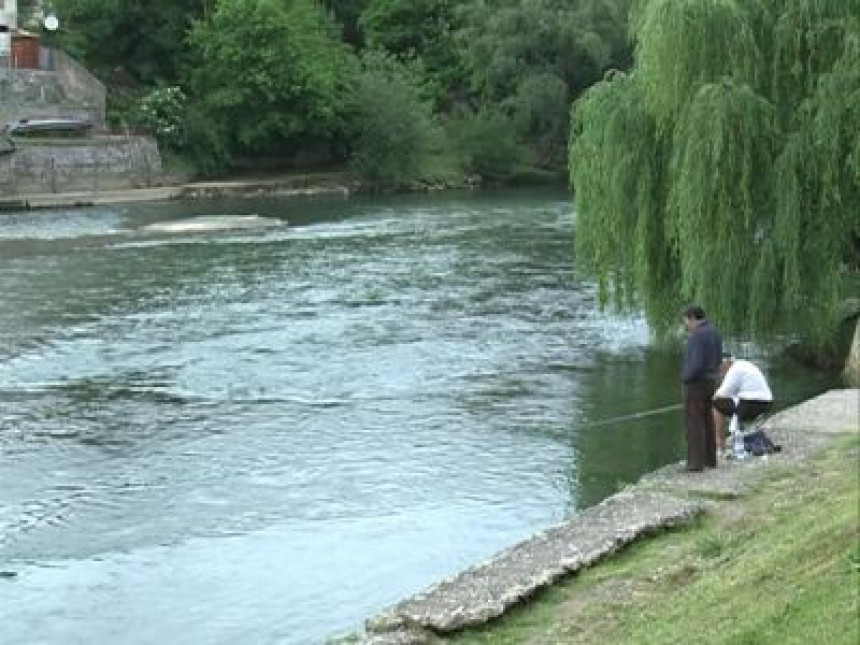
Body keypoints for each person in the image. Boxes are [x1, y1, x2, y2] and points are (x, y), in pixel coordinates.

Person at [681, 305, 722, 471]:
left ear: (692, 318)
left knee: (694, 423)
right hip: (711, 382)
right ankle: (710, 459)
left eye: (687, 321)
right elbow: (718, 357)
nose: (687, 326)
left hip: (696, 384)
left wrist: (686, 377)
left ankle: (695, 464)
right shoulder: (714, 332)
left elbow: (696, 363)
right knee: (707, 420)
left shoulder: (697, 335)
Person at [712, 353, 773, 453]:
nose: (719, 372)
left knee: (716, 404)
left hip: (756, 404)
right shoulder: (742, 365)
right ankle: (735, 436)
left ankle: (719, 442)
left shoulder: (735, 370)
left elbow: (721, 393)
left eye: (719, 367)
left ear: (726, 362)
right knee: (725, 402)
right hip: (764, 402)